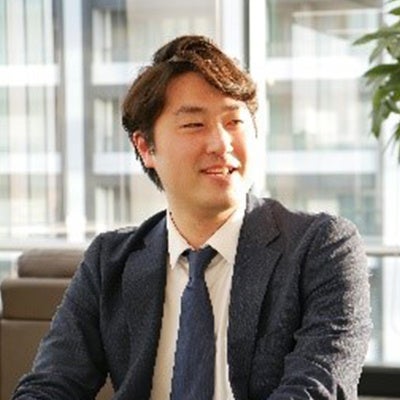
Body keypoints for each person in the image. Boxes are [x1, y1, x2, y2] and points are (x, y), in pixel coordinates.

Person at [12, 35, 371, 400]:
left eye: (234, 121)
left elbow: (316, 389)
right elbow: (50, 384)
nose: (221, 144)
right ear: (145, 147)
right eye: (194, 125)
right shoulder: (110, 262)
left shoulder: (322, 247)